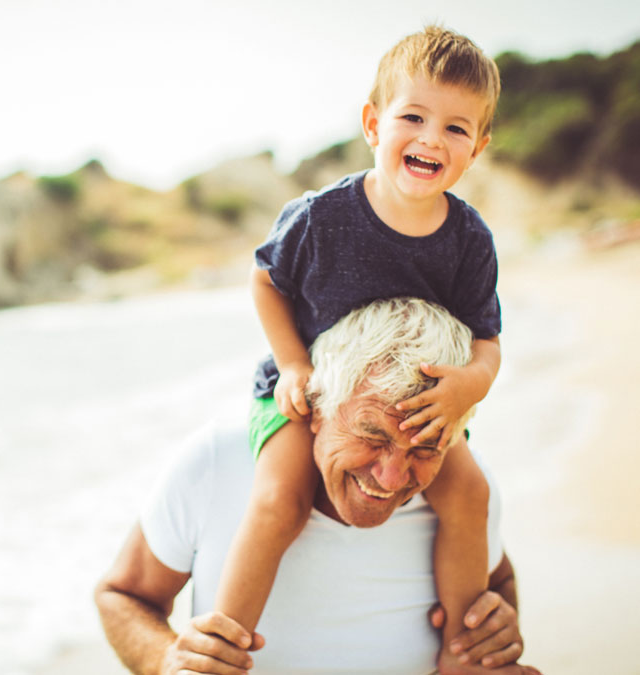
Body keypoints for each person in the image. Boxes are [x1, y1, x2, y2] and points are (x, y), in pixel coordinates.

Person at [216, 26, 503, 673]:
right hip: (312, 392)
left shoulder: (468, 239)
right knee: (278, 498)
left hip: (416, 407)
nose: (432, 139)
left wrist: (469, 386)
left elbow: (487, 340)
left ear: (478, 147)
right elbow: (266, 282)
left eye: (457, 129)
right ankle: (221, 644)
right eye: (414, 117)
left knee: (470, 491)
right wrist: (292, 362)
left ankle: (463, 648)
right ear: (374, 123)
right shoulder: (321, 218)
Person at [96, 298, 539, 674]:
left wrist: (495, 626)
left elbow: (498, 578)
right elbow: (122, 595)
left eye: (425, 449)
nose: (391, 477)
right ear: (315, 404)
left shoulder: (462, 491)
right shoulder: (217, 462)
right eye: (371, 436)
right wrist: (166, 658)